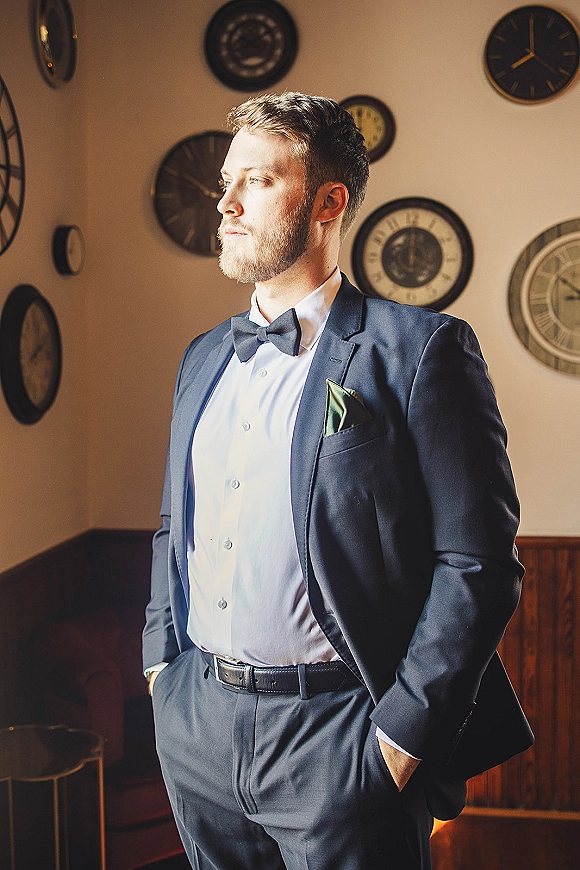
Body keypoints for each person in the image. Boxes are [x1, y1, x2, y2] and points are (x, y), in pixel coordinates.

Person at [143, 92, 532, 870]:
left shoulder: (422, 351)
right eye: (227, 180)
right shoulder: (201, 358)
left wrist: (398, 740)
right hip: (196, 725)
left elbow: (478, 566)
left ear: (328, 201)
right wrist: (162, 669)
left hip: (340, 735)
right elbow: (170, 527)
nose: (225, 202)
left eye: (255, 180)